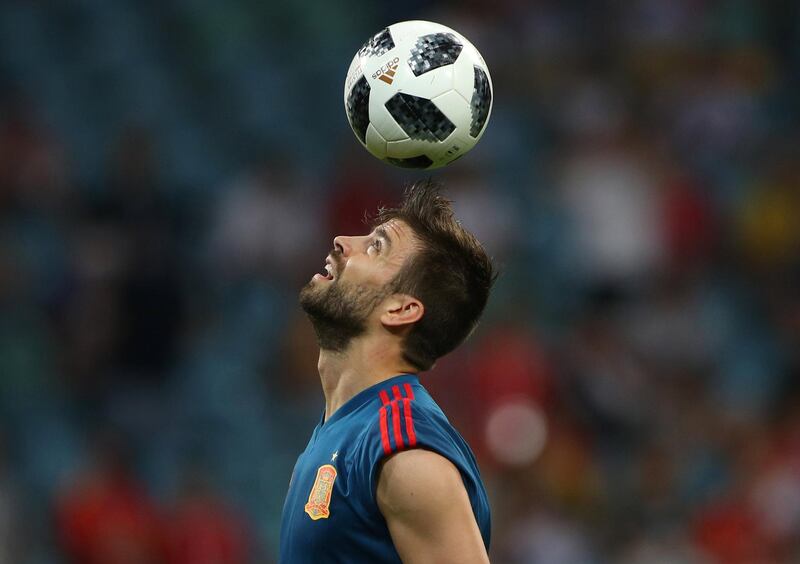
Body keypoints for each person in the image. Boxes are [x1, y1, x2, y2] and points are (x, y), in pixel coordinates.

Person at [279, 180, 496, 563]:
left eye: (375, 246)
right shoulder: (344, 431)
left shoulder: (404, 448)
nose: (343, 241)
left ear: (401, 309)